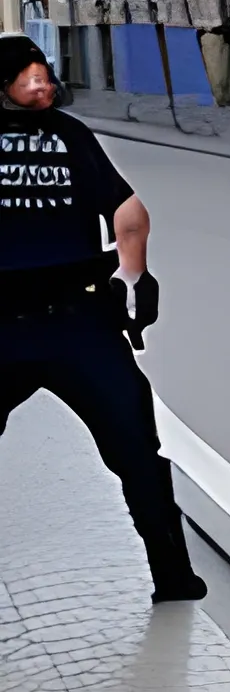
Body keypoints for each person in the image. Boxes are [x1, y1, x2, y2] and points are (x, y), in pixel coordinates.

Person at [0, 35, 205, 601]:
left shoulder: (71, 133)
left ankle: (173, 574)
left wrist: (131, 276)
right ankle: (174, 574)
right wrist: (131, 277)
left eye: (44, 75)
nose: (42, 86)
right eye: (30, 78)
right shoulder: (72, 137)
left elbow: (128, 212)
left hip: (52, 321)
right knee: (134, 444)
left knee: (137, 446)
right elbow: (128, 212)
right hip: (80, 324)